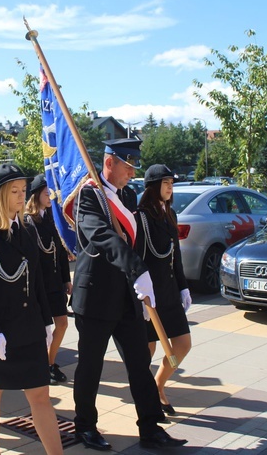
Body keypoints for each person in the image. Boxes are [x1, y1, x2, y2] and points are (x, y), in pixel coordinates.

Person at [72, 138, 185, 451]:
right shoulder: (89, 195)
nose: (132, 173)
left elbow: (136, 238)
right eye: (128, 166)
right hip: (95, 296)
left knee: (139, 364)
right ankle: (85, 426)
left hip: (126, 297)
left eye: (135, 166)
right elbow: (104, 238)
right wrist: (138, 270)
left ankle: (149, 427)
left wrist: (158, 282)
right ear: (109, 163)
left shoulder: (128, 194)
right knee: (90, 367)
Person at [0, 164, 62, 455]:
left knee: (41, 396)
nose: (22, 197)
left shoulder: (25, 229)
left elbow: (38, 282)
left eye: (23, 190)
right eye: (15, 191)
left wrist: (46, 321)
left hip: (28, 327)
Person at [134, 164, 192, 417]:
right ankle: (147, 396)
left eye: (172, 183)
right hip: (150, 296)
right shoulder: (141, 217)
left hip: (169, 292)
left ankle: (159, 384)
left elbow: (175, 255)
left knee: (182, 345)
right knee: (149, 349)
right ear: (153, 186)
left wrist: (184, 286)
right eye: (166, 183)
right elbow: (136, 258)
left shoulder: (171, 213)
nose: (170, 188)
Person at [24, 173, 72, 385]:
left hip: (54, 282)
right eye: (46, 192)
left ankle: (50, 363)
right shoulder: (27, 221)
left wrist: (65, 279)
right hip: (38, 285)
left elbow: (60, 252)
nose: (50, 196)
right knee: (44, 331)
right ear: (36, 194)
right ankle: (40, 365)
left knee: (62, 324)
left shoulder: (54, 217)